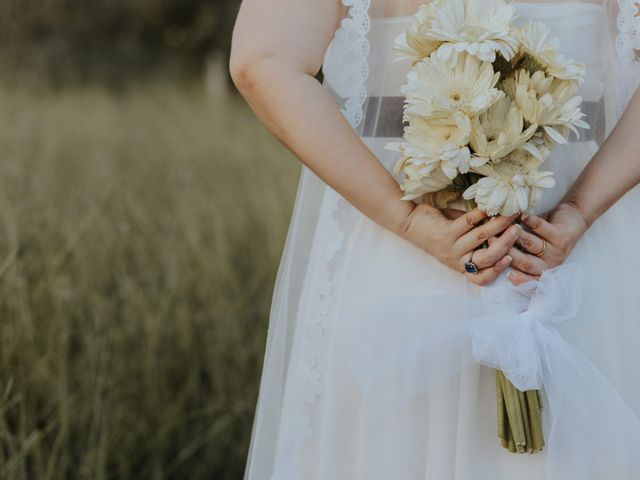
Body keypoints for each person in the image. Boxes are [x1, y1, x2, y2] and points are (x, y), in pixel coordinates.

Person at [230, 0, 640, 478]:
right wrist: (578, 209)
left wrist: (406, 219)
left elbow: (262, 62)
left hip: (396, 234)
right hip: (567, 237)